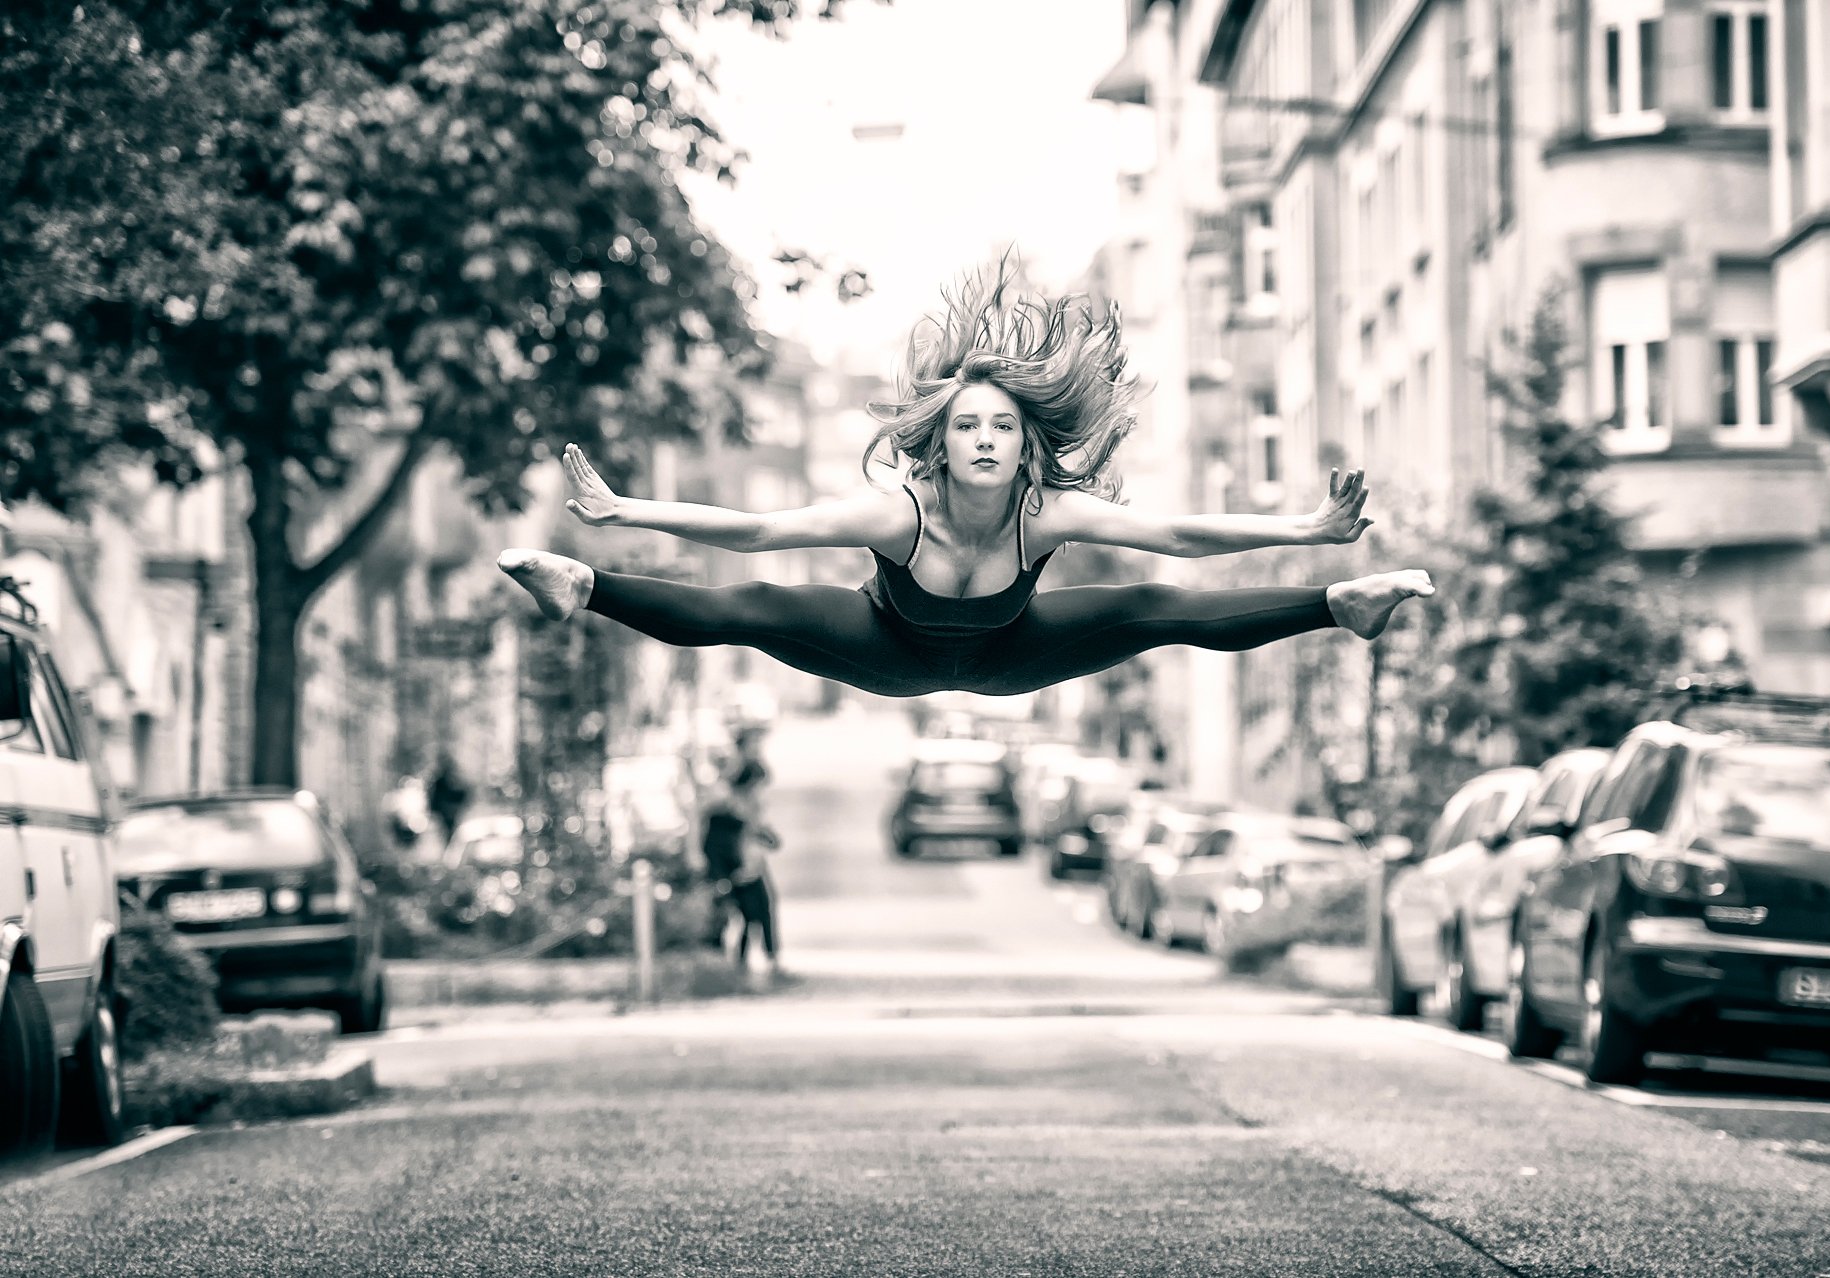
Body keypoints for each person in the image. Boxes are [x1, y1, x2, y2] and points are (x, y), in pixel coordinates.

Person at [498, 264, 1434, 698]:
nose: (984, 440)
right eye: (965, 427)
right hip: (885, 652)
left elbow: (1181, 538)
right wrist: (623, 512)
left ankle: (1341, 604)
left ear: (1027, 447)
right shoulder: (896, 512)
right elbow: (755, 531)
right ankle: (586, 589)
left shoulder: (1047, 510)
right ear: (938, 445)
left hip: (1013, 656)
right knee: (759, 603)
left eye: (1001, 427)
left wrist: (1310, 531)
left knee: (1153, 601)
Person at [699, 765, 783, 975]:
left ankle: (761, 957)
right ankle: (744, 958)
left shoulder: (748, 806)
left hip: (751, 867)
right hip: (738, 869)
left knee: (759, 911)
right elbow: (719, 838)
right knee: (749, 913)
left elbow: (759, 833)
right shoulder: (728, 806)